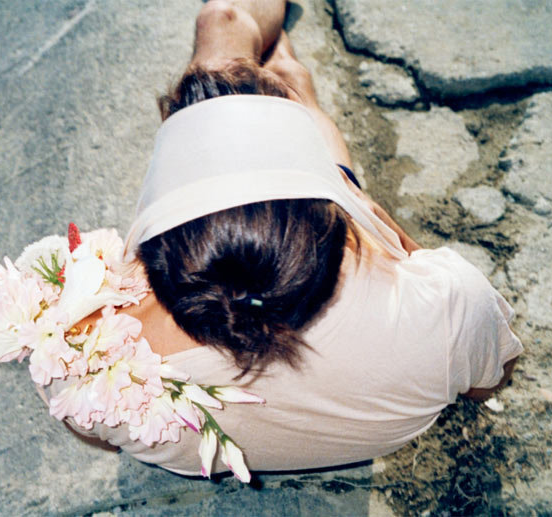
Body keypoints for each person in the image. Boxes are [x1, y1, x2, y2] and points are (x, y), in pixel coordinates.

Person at [53, 0, 522, 476]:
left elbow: (100, 439)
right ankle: (292, 86)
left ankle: (278, 80)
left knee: (220, 36)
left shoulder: (76, 356)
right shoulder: (451, 306)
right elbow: (489, 382)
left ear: (157, 263)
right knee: (235, 52)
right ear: (339, 228)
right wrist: (392, 235)